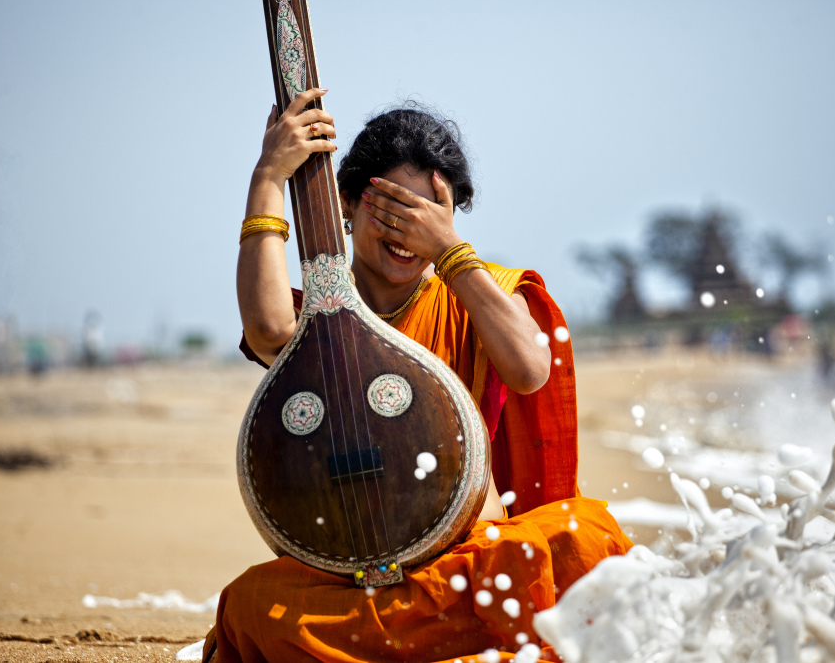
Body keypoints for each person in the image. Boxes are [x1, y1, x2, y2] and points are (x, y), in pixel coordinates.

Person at [204, 89, 632, 663]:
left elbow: (530, 369)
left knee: (585, 540)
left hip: (465, 568)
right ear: (348, 205)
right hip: (349, 584)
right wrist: (267, 177)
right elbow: (266, 330)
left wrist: (450, 250)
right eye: (392, 210)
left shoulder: (477, 293)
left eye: (427, 216)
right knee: (253, 605)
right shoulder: (324, 318)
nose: (408, 234)